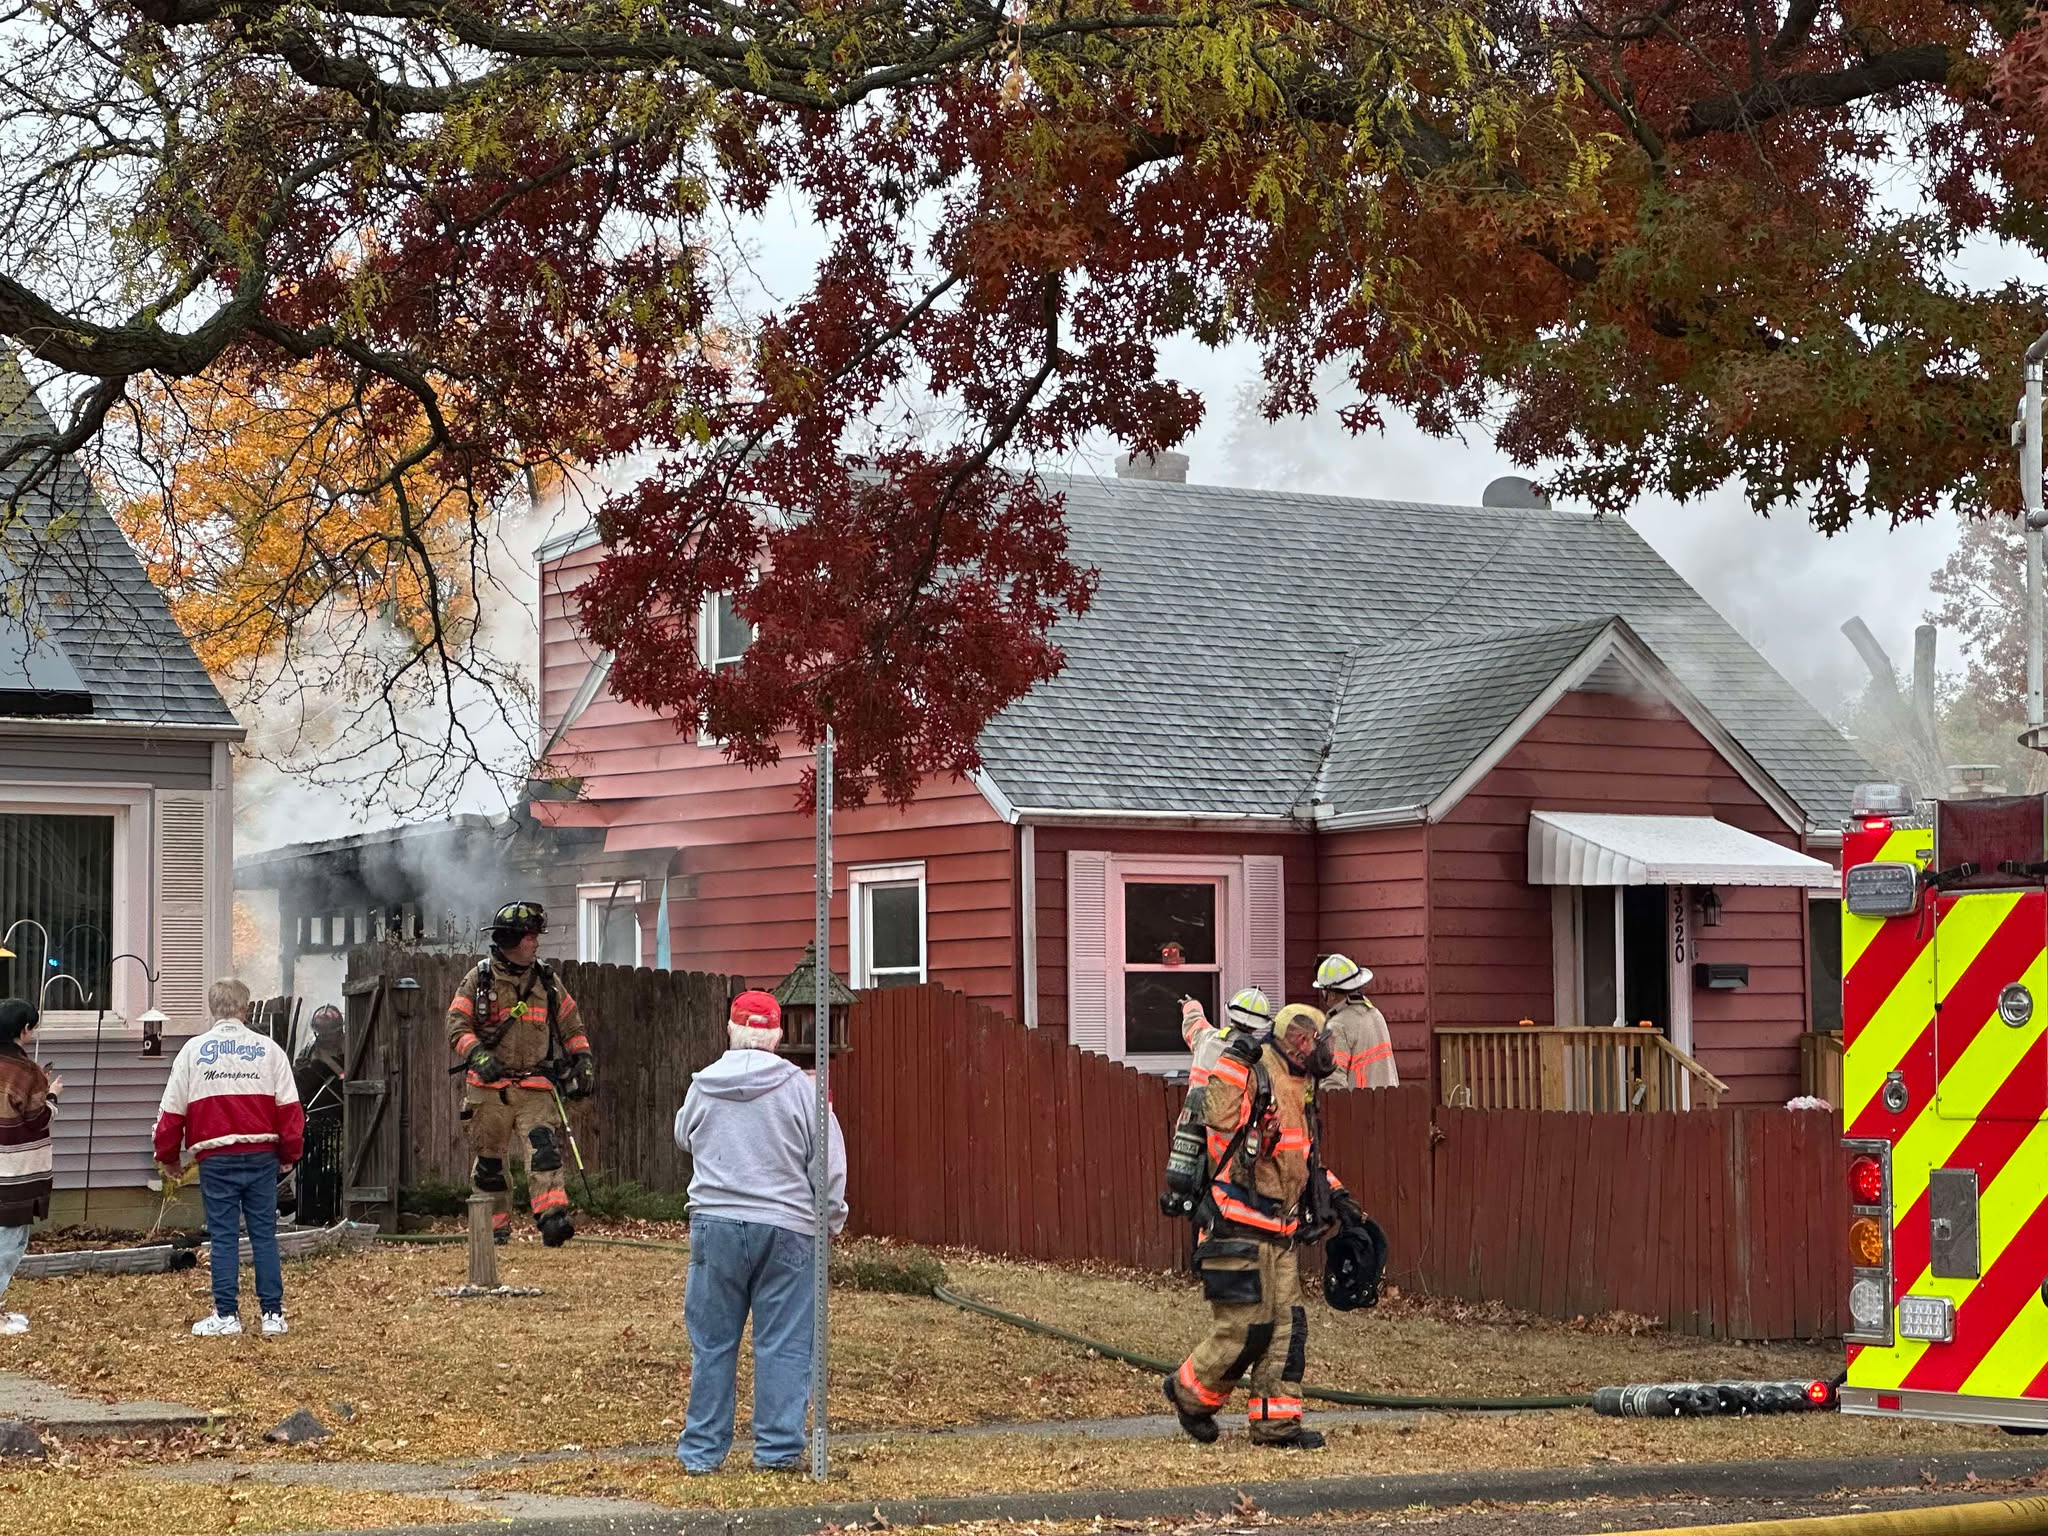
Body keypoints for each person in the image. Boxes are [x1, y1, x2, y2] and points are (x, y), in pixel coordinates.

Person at [1165, 1002, 1363, 1449]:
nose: (1324, 1050)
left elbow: (1300, 1159)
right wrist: (1234, 1061)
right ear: (1298, 1041)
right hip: (1236, 1227)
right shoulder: (1256, 1072)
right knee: (1245, 1330)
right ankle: (1188, 1395)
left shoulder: (1300, 1086)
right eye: (1317, 1040)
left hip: (1280, 1232)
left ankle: (1277, 1426)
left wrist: (1339, 1197)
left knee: (1287, 1331)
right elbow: (1218, 1116)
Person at [673, 989, 847, 1475]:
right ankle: (776, 1452)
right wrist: (830, 1220)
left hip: (715, 1224)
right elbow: (829, 1167)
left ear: (730, 1030)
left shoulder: (703, 1084)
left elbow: (684, 1136)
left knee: (713, 1342)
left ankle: (701, 1453)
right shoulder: (802, 1090)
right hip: (788, 1228)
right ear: (776, 1036)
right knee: (785, 1342)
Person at [154, 978, 304, 1338]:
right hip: (262, 1155)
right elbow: (290, 1110)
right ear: (245, 1009)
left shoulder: (192, 1052)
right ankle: (272, 1314)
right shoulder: (270, 1051)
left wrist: (169, 1157)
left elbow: (171, 1113)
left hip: (216, 1158)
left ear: (212, 1008)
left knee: (223, 1237)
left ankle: (226, 1315)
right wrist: (289, 1154)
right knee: (264, 1235)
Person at [445, 901, 592, 1247]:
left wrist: (583, 1058)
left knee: (545, 1152)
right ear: (511, 940)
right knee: (490, 1162)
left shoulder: (546, 980)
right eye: (530, 937)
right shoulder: (479, 979)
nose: (536, 943)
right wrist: (477, 1055)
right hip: (488, 1089)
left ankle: (553, 1220)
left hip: (535, 1086)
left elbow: (571, 1024)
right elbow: (456, 1024)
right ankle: (492, 1228)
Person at [0, 1000, 59, 1336]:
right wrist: (52, 1094)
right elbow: (38, 1119)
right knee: (9, 1241)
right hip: (14, 1172)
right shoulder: (27, 1071)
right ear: (23, 1030)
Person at [289, 1005, 346, 1226]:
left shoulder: (350, 1047)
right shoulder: (309, 1050)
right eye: (321, 1032)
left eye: (328, 1033)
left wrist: (331, 1066)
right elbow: (300, 1089)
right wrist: (300, 1072)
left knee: (337, 1170)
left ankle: (335, 1213)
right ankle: (311, 1214)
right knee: (310, 1169)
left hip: (343, 1118)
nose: (325, 1037)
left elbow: (349, 1077)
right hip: (316, 1119)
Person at [1313, 954, 1399, 1090]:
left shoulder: (1337, 1026)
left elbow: (1333, 1083)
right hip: (1388, 1101)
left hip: (1360, 1103)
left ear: (1332, 994)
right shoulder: (1375, 1015)